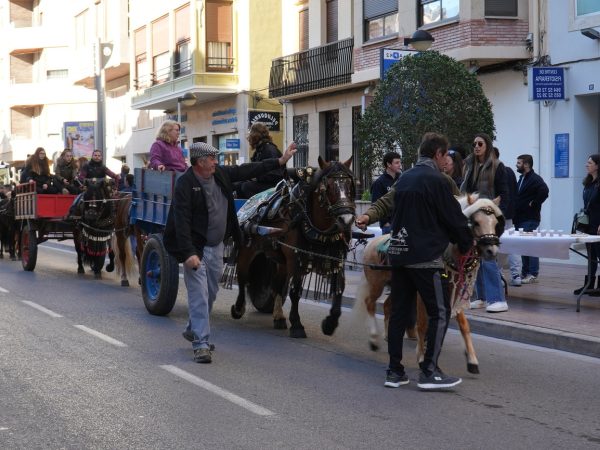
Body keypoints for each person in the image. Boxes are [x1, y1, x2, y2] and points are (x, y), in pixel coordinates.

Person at [163, 141, 297, 364]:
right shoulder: (185, 184)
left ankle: (193, 329)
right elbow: (181, 221)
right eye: (212, 159)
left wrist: (280, 161)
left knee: (212, 292)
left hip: (216, 246)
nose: (216, 162)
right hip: (195, 248)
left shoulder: (220, 175)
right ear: (200, 162)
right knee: (199, 294)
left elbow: (246, 170)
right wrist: (188, 253)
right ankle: (201, 344)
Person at [382, 132, 471, 390]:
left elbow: (394, 212)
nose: (448, 161)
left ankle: (394, 371)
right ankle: (429, 371)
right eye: (446, 156)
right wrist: (465, 243)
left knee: (399, 314)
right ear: (438, 154)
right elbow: (453, 218)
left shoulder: (405, 178)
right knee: (439, 313)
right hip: (426, 259)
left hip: (399, 255)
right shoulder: (438, 180)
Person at [461, 133, 509, 313]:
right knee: (476, 258)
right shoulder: (470, 166)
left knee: (489, 257)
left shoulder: (497, 166)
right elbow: (466, 191)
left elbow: (504, 194)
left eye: (480, 143)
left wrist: (497, 217)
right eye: (474, 144)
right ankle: (481, 297)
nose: (476, 147)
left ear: (487, 145)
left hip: (489, 218)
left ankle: (497, 298)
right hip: (474, 217)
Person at [513, 154, 549, 284]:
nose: (517, 165)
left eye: (519, 163)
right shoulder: (522, 178)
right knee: (524, 246)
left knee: (530, 245)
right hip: (520, 218)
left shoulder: (535, 179)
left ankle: (532, 273)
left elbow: (544, 191)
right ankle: (525, 272)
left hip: (530, 218)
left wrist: (534, 203)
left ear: (526, 164)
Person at [493, 147, 521, 287]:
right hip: (509, 214)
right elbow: (515, 192)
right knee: (511, 244)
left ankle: (499, 274)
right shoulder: (509, 171)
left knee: (498, 244)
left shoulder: (495, 171)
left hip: (498, 215)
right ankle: (516, 275)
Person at [234, 122, 284, 199]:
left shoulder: (269, 150)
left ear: (255, 136)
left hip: (274, 186)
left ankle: (256, 209)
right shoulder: (260, 150)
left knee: (246, 186)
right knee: (237, 185)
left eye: (250, 134)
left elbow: (275, 174)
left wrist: (256, 177)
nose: (249, 138)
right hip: (265, 184)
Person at [574, 155, 600, 295]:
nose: (586, 165)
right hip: (589, 224)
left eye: (589, 163)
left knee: (599, 253)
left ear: (597, 166)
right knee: (591, 255)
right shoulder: (588, 183)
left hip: (598, 224)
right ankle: (589, 284)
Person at [370, 151, 402, 234]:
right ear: (388, 164)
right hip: (389, 226)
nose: (400, 165)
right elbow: (375, 204)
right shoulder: (379, 183)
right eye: (397, 162)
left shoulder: (402, 179)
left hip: (403, 224)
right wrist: (385, 223)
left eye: (400, 162)